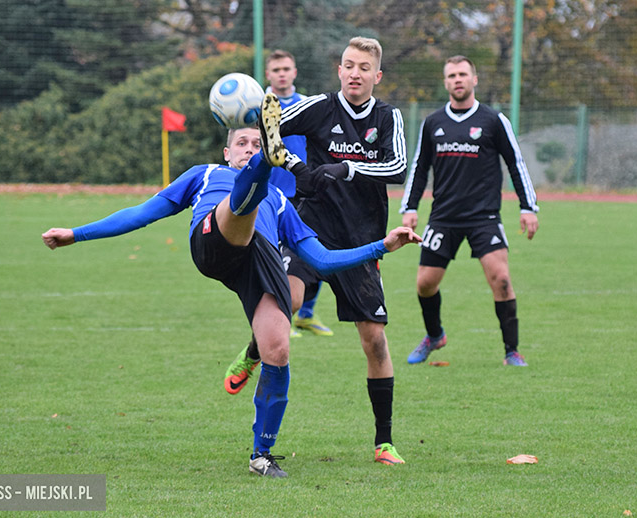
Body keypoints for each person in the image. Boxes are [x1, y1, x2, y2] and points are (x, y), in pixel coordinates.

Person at [41, 93, 420, 478]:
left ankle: (261, 454)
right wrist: (77, 234)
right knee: (242, 202)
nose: (248, 147)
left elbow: (322, 260)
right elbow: (142, 213)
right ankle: (264, 167)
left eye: (258, 143)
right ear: (227, 152)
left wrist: (381, 246)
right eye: (244, 143)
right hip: (214, 239)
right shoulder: (205, 175)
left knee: (277, 349)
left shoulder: (282, 204)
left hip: (257, 262)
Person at [225, 37, 410, 466]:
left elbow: (397, 167)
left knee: (375, 341)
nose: (354, 73)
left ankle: (383, 442)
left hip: (361, 240)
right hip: (308, 229)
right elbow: (271, 135)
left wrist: (346, 167)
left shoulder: (387, 116)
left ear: (376, 75)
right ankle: (253, 353)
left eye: (364, 67)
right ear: (339, 70)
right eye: (348, 65)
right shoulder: (320, 107)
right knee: (284, 302)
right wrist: (295, 167)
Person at [399, 55, 539, 367]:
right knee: (424, 284)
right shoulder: (433, 122)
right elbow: (420, 167)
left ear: (474, 79)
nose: (457, 80)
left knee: (501, 279)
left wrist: (528, 207)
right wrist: (410, 207)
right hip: (443, 217)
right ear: (445, 82)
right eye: (451, 75)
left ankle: (511, 351)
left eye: (463, 74)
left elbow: (515, 164)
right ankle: (435, 336)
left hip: (483, 217)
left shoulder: (493, 120)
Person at [265, 49, 332, 337]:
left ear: (294, 72)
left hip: (304, 193)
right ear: (268, 74)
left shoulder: (308, 105)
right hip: (269, 192)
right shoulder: (257, 106)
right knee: (276, 257)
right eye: (276, 69)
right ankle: (283, 315)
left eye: (286, 68)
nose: (282, 73)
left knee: (313, 253)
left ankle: (305, 314)